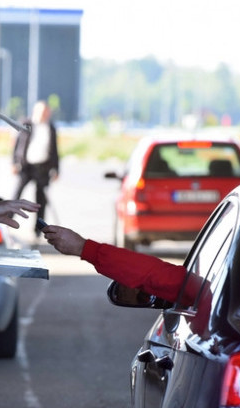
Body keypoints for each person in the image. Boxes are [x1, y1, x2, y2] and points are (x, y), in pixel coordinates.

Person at [41, 224, 191, 304]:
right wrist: (84, 248)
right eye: (142, 297)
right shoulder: (207, 293)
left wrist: (84, 248)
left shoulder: (202, 292)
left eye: (140, 297)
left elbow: (167, 279)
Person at [12, 100, 60, 236]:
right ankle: (7, 221)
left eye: (47, 112)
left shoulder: (51, 127)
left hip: (43, 167)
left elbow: (55, 150)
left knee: (41, 200)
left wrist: (56, 169)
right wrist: (14, 162)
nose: (45, 114)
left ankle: (39, 229)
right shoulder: (26, 124)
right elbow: (17, 145)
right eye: (42, 112)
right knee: (17, 195)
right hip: (26, 166)